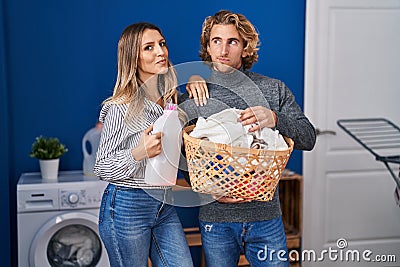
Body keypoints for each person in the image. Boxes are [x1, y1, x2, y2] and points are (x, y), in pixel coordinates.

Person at [180, 10, 316, 266]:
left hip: (266, 218)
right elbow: (183, 154)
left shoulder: (273, 89)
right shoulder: (195, 95)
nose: (223, 49)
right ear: (207, 48)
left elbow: (308, 138)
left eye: (232, 41)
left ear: (245, 48)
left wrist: (275, 119)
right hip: (216, 219)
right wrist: (207, 190)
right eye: (216, 41)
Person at [93, 22, 194, 267]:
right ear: (133, 59)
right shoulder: (120, 106)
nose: (160, 52)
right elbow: (102, 167)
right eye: (149, 48)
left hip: (163, 205)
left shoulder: (171, 100)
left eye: (161, 44)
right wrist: (140, 152)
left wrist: (196, 78)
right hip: (127, 206)